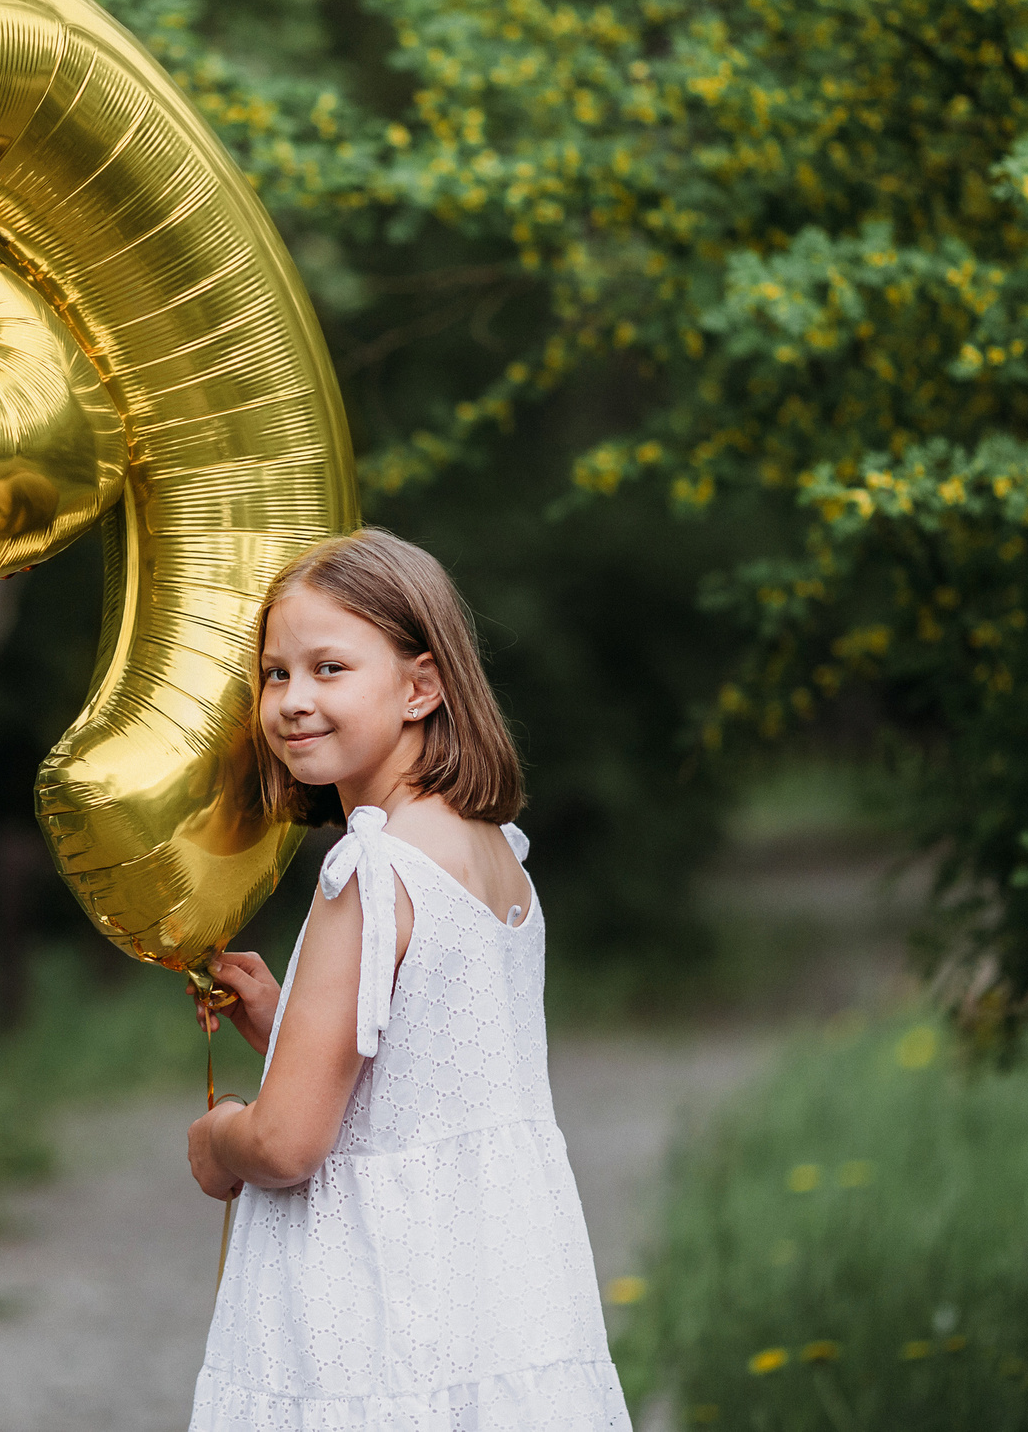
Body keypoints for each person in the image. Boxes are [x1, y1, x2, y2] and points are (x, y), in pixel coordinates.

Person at [184, 528, 633, 1431]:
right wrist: (286, 1023)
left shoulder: (372, 871)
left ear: (421, 686)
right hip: (494, 1292)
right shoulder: (493, 853)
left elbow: (288, 1146)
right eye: (275, 673)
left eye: (329, 668)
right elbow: (427, 1081)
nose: (292, 701)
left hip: (379, 1302)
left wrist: (222, 1136)